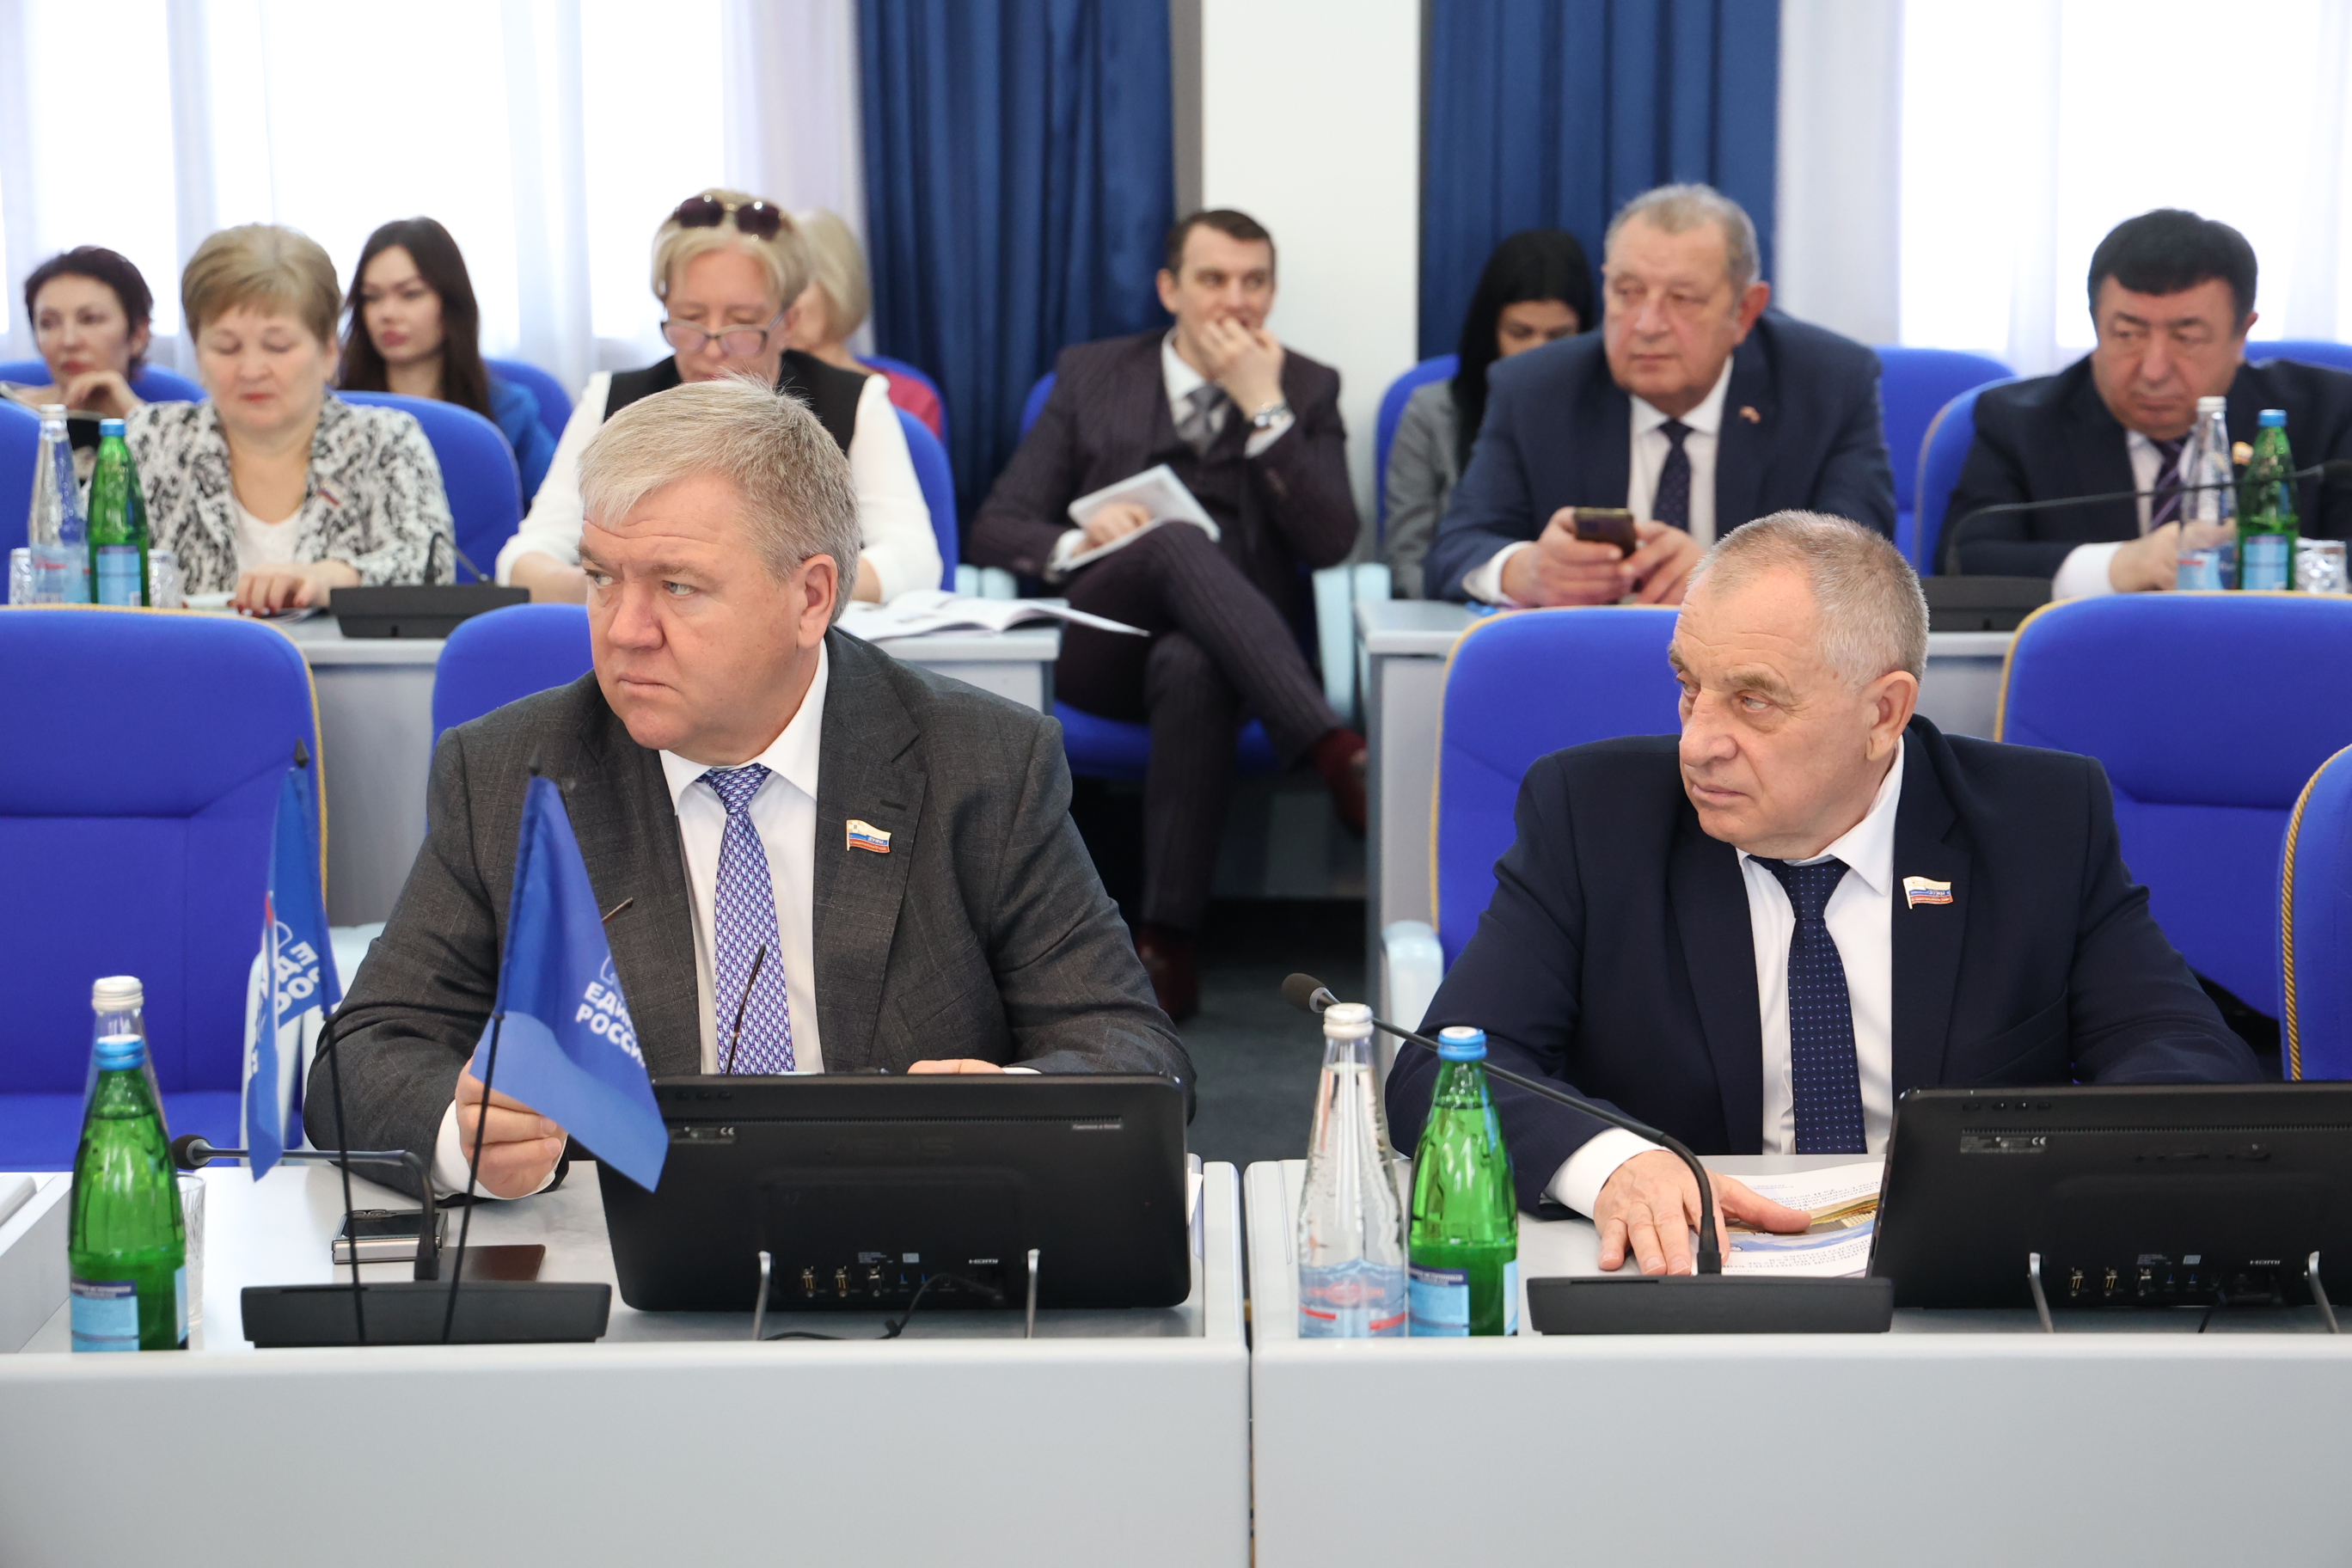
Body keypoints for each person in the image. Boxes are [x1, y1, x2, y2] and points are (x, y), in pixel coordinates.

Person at [309, 376, 1189, 1198]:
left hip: (902, 1239)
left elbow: (1134, 1051)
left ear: (811, 598)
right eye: (602, 578)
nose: (625, 630)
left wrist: (1014, 1108)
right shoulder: (513, 770)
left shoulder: (980, 763)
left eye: (678, 586)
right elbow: (361, 1058)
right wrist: (465, 1138)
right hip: (626, 1254)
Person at [1387, 511, 2259, 1277]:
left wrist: (2050, 1174)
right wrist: (1612, 1164)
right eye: (1689, 687)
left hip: (1958, 1293)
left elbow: (2179, 1051)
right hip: (1691, 1284)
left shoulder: (2038, 824)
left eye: (1753, 701)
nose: (1699, 743)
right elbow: (1441, 1070)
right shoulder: (1594, 818)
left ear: (1883, 714)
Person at [965, 209, 1367, 1021]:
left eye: (1254, 282)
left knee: (1192, 664)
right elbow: (997, 526)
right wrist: (1079, 538)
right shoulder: (1092, 375)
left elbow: (1331, 541)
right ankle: (1333, 751)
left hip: (1244, 665)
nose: (1236, 301)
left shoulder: (1306, 385)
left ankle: (1165, 948)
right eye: (1213, 280)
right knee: (1172, 540)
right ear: (1170, 289)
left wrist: (1265, 408)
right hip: (1103, 643)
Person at [1424, 184, 1895, 607]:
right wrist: (1525, 571)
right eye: (1627, 292)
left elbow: (1861, 570)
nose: (1647, 325)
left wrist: (1726, 580)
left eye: (1682, 299)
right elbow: (1456, 549)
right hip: (1592, 660)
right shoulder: (1537, 389)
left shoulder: (1828, 385)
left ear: (1744, 311)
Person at [498, 190, 939, 604]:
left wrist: (761, 595)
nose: (712, 348)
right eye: (689, 318)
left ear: (788, 323)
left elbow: (914, 558)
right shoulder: (614, 400)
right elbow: (523, 558)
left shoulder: (852, 402)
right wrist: (622, 587)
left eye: (741, 322)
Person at [1946, 209, 2352, 590]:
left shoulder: (2330, 414)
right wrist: (2116, 566)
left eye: (2187, 338)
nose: (2154, 370)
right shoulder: (2021, 422)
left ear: (2242, 333)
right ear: (2096, 324)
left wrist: (2255, 564)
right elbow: (1964, 561)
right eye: (2128, 334)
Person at [107, 224, 452, 611]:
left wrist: (333, 579)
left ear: (329, 352)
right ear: (199, 357)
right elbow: (77, 566)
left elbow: (432, 567)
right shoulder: (149, 440)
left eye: (277, 346)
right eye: (227, 348)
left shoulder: (385, 440)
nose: (252, 370)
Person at [1385, 230, 1592, 598]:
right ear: (1489, 330)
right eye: (1520, 333)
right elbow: (1408, 563)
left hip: (1581, 613)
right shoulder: (1432, 413)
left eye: (1558, 337)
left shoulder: (1610, 414)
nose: (1537, 354)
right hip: (1462, 615)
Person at [340, 217, 559, 501]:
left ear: (452, 303)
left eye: (410, 294)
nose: (387, 313)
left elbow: (563, 509)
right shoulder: (337, 406)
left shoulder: (507, 410)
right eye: (372, 297)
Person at [787, 207, 944, 438]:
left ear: (837, 283)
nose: (782, 301)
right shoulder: (760, 393)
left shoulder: (911, 399)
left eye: (797, 283)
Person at [4, 247, 157, 481]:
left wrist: (135, 416)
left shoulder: (174, 431)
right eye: (48, 323)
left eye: (90, 319)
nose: (68, 341)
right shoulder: (6, 411)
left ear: (138, 334)